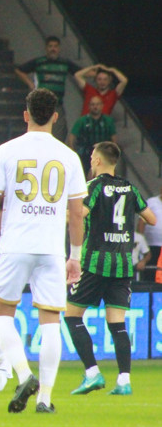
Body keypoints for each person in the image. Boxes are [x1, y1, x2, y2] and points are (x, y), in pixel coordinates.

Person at [0, 88, 87, 414]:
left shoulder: (7, 151)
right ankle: (45, 398)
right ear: (55, 116)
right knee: (51, 321)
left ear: (25, 114)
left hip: (14, 245)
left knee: (2, 315)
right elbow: (77, 213)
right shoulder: (69, 156)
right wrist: (75, 256)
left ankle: (24, 375)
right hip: (51, 248)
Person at [65, 142, 155, 396]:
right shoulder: (129, 188)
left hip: (95, 262)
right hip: (123, 264)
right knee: (118, 324)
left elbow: (79, 213)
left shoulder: (93, 187)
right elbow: (152, 218)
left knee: (72, 316)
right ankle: (124, 381)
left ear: (97, 161)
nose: (90, 160)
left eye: (92, 156)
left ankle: (92, 373)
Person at [15, 36, 80, 142]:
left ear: (59, 48)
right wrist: (30, 83)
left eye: (55, 46)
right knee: (37, 132)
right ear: (46, 48)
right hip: (40, 105)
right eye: (50, 46)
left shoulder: (65, 63)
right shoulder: (39, 62)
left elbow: (81, 72)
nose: (53, 49)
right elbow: (19, 70)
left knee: (58, 134)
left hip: (57, 105)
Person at [66, 96, 116, 173]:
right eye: (93, 104)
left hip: (103, 154)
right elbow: (72, 136)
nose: (95, 107)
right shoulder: (82, 121)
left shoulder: (108, 121)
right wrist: (73, 152)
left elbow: (114, 139)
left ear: (102, 105)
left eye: (97, 104)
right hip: (85, 155)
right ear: (89, 106)